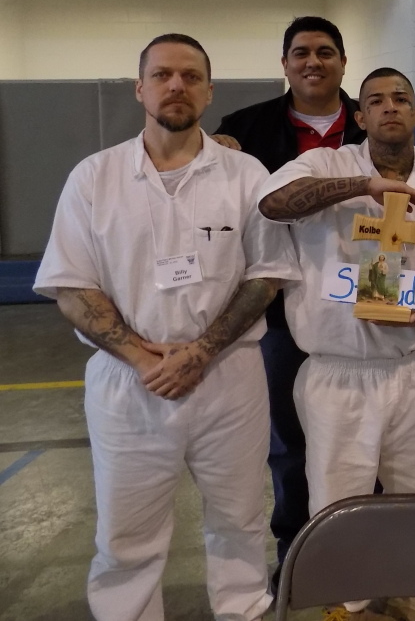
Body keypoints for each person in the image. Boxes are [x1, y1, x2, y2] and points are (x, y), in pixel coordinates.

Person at [34, 34, 300, 621]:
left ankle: (242, 609)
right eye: (161, 75)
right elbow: (72, 286)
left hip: (228, 376)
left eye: (190, 76)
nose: (176, 85)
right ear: (140, 88)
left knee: (239, 518)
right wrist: (142, 358)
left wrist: (200, 352)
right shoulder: (95, 177)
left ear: (209, 92)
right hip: (129, 382)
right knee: (126, 531)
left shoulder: (245, 174)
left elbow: (267, 276)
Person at [256, 67, 415, 616]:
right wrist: (364, 187)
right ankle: (344, 602)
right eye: (376, 100)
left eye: (401, 98)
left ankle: (412, 593)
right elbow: (272, 203)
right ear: (360, 116)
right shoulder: (324, 165)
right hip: (338, 371)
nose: (389, 107)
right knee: (337, 500)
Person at [214, 16, 367, 576]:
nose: (313, 62)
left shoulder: (374, 120)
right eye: (301, 52)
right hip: (278, 312)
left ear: (343, 63)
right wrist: (214, 150)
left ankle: (365, 548)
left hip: (360, 310)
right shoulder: (243, 129)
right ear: (284, 64)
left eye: (325, 52)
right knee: (290, 441)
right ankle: (298, 549)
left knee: (363, 438)